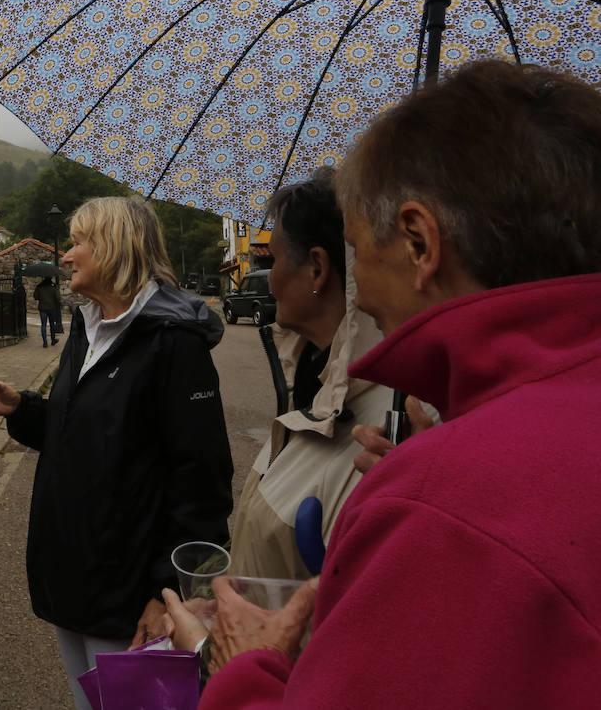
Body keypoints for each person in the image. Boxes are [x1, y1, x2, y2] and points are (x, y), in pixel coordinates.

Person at [183, 60, 601, 709]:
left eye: (356, 244)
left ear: (418, 241)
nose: (361, 288)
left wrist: (248, 665)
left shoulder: (444, 491)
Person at [0, 195, 232, 710]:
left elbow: (202, 481)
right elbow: (80, 434)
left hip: (129, 594)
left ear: (113, 248)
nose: (66, 256)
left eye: (79, 242)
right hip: (75, 575)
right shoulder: (87, 331)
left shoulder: (174, 343)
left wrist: (166, 593)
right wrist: (20, 406)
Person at [225, 167, 406, 581]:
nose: (268, 280)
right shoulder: (313, 381)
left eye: (274, 259)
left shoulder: (396, 421)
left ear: (317, 269)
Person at [33, 276, 61, 347]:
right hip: (52, 308)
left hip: (42, 308)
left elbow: (35, 297)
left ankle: (45, 342)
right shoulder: (53, 286)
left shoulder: (39, 286)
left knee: (43, 325)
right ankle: (53, 340)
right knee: (52, 324)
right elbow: (58, 298)